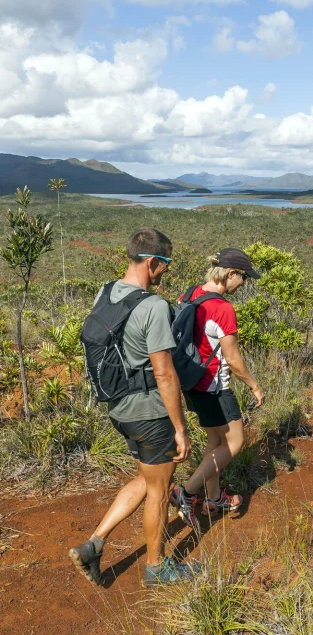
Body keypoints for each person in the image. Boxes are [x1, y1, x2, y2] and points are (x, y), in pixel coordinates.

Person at [69, 228, 195, 588]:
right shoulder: (153, 306)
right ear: (153, 261)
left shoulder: (106, 292)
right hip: (150, 413)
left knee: (146, 478)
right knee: (159, 489)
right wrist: (179, 427)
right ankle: (157, 568)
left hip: (119, 408)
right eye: (165, 266)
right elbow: (164, 373)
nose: (165, 274)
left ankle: (94, 544)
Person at [171, 248, 265, 527]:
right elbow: (233, 359)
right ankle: (186, 493)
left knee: (215, 441)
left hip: (191, 383)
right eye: (243, 277)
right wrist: (255, 386)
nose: (243, 284)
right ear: (231, 274)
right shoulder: (223, 308)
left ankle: (214, 499)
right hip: (214, 385)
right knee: (235, 443)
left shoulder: (190, 294)